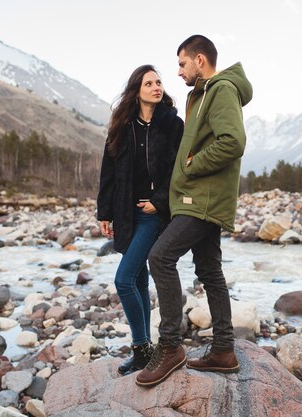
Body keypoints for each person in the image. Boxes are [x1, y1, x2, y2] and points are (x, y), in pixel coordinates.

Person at [136, 35, 252, 387]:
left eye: (182, 63)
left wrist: (191, 164)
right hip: (200, 198)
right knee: (210, 271)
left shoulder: (221, 90)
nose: (179, 71)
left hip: (201, 200)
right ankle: (223, 351)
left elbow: (233, 141)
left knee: (160, 258)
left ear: (200, 60)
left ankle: (170, 346)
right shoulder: (201, 95)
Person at [97, 64, 184, 375]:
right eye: (149, 83)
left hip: (152, 215)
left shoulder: (172, 125)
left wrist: (159, 202)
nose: (157, 87)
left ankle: (141, 347)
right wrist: (104, 212)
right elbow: (108, 171)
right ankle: (145, 349)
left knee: (123, 280)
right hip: (125, 212)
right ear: (137, 90)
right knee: (137, 278)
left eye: (159, 82)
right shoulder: (122, 126)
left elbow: (178, 170)